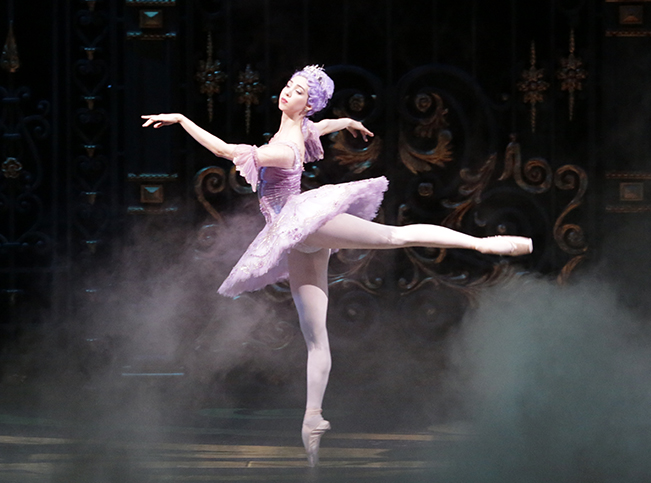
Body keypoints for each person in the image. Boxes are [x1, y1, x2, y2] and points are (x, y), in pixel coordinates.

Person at [142, 65, 532, 467]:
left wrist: (182, 119)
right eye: (288, 87)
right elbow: (326, 125)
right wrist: (349, 121)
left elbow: (226, 151)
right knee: (315, 336)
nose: (286, 94)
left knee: (393, 236)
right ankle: (313, 421)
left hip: (303, 222)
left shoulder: (288, 147)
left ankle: (484, 244)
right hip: (297, 236)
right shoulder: (303, 130)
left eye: (296, 92)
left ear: (306, 103)